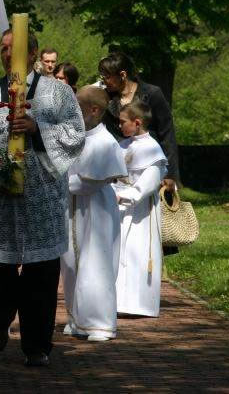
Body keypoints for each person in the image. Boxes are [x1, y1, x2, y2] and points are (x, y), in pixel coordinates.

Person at [0, 30, 84, 366]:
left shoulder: (58, 94)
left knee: (41, 277)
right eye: (2, 48)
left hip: (41, 198)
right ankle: (2, 315)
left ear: (32, 54)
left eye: (12, 48)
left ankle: (37, 346)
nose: (6, 53)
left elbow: (75, 134)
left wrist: (38, 128)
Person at [61, 86, 126, 342]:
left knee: (95, 263)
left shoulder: (105, 143)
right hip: (71, 207)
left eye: (77, 107)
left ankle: (100, 323)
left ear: (94, 110)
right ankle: (78, 319)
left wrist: (55, 185)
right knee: (70, 263)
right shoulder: (76, 137)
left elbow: (89, 183)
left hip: (96, 209)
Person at [98, 52, 179, 195]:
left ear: (122, 75)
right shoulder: (104, 98)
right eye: (102, 76)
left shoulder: (152, 94)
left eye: (107, 76)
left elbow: (167, 134)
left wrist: (171, 174)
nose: (104, 80)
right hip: (117, 171)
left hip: (149, 166)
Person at [114, 101, 168, 317]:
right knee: (119, 254)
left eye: (122, 122)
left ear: (137, 123)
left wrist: (126, 196)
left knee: (136, 252)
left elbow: (149, 182)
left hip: (140, 211)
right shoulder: (122, 145)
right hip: (117, 208)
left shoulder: (152, 149)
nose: (119, 126)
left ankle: (138, 304)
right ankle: (117, 301)